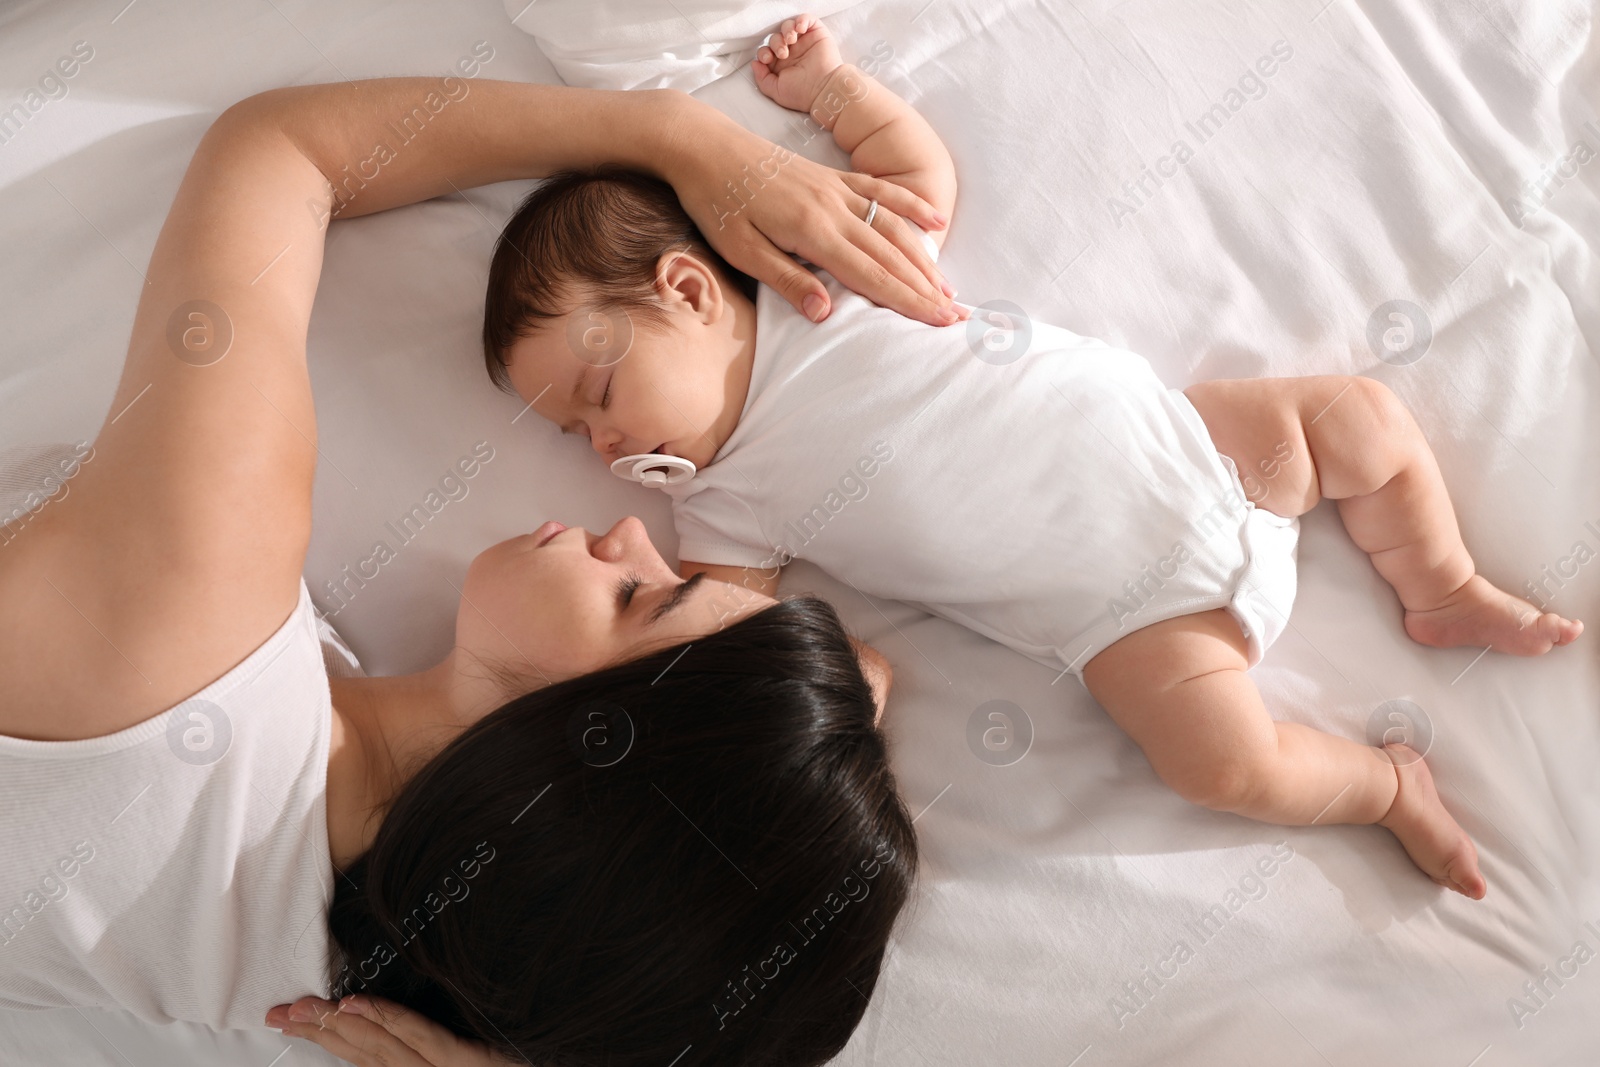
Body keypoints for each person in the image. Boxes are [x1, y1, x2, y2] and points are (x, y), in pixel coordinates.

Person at [485, 13, 1584, 906]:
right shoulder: (727, 506)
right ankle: (1385, 787)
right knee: (1221, 763)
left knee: (1360, 418)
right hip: (1131, 618)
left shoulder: (825, 281)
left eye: (600, 396)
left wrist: (829, 89)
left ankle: (1440, 586)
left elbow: (914, 173)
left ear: (684, 289)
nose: (610, 447)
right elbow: (732, 624)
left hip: (1199, 446)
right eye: (580, 441)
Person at [0, 68, 969, 1066]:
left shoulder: (198, 572)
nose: (632, 533)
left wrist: (674, 137)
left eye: (639, 596)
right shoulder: (346, 994)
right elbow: (842, 702)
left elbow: (285, 151)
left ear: (573, 758)